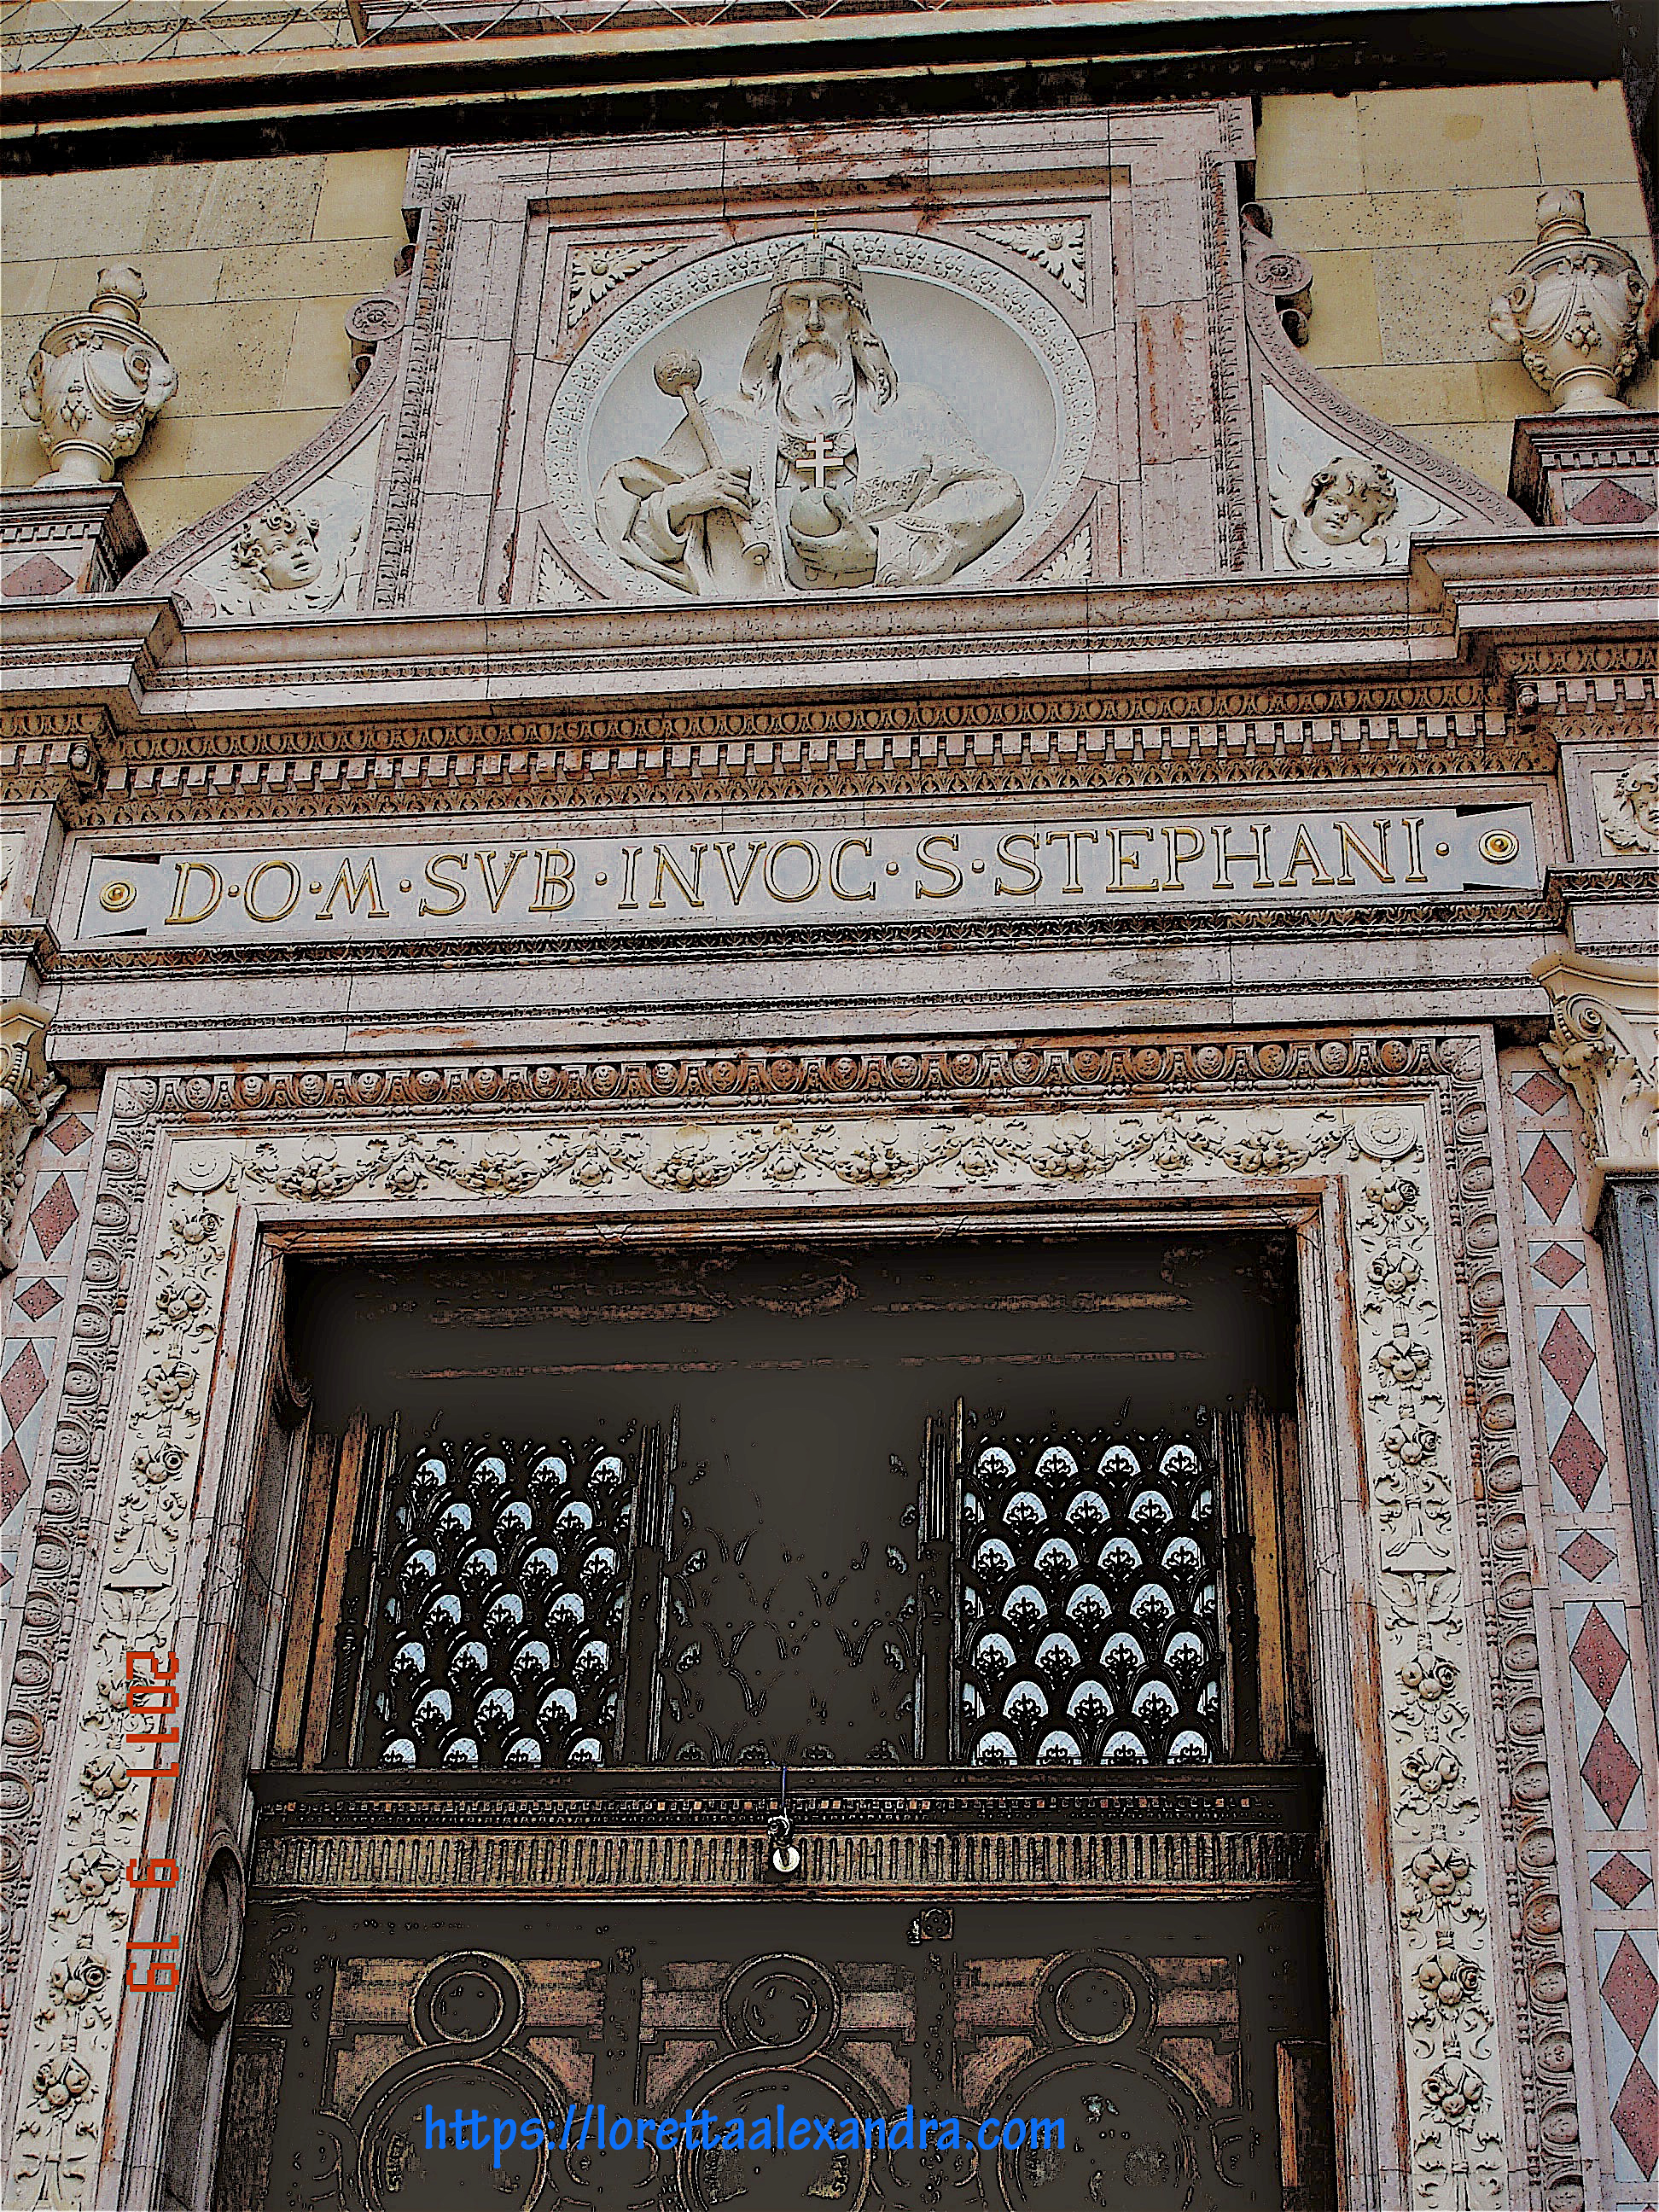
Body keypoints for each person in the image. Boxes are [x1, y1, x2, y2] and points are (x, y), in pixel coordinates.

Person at [596, 238, 1023, 597]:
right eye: (799, 304)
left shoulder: (913, 414)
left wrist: (882, 549)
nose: (815, 321)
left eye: (832, 304)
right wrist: (684, 499)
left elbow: (998, 495)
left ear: (853, 324)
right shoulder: (722, 424)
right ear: (777, 327)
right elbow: (625, 516)